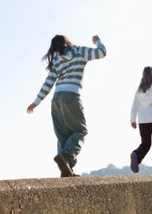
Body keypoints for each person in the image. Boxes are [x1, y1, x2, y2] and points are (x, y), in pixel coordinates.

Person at [27, 34, 106, 177]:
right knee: (80, 131)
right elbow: (102, 53)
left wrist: (36, 102)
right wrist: (98, 42)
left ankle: (66, 171)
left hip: (56, 99)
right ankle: (66, 157)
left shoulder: (57, 60)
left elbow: (48, 82)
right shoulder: (79, 51)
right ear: (67, 42)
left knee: (63, 136)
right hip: (71, 96)